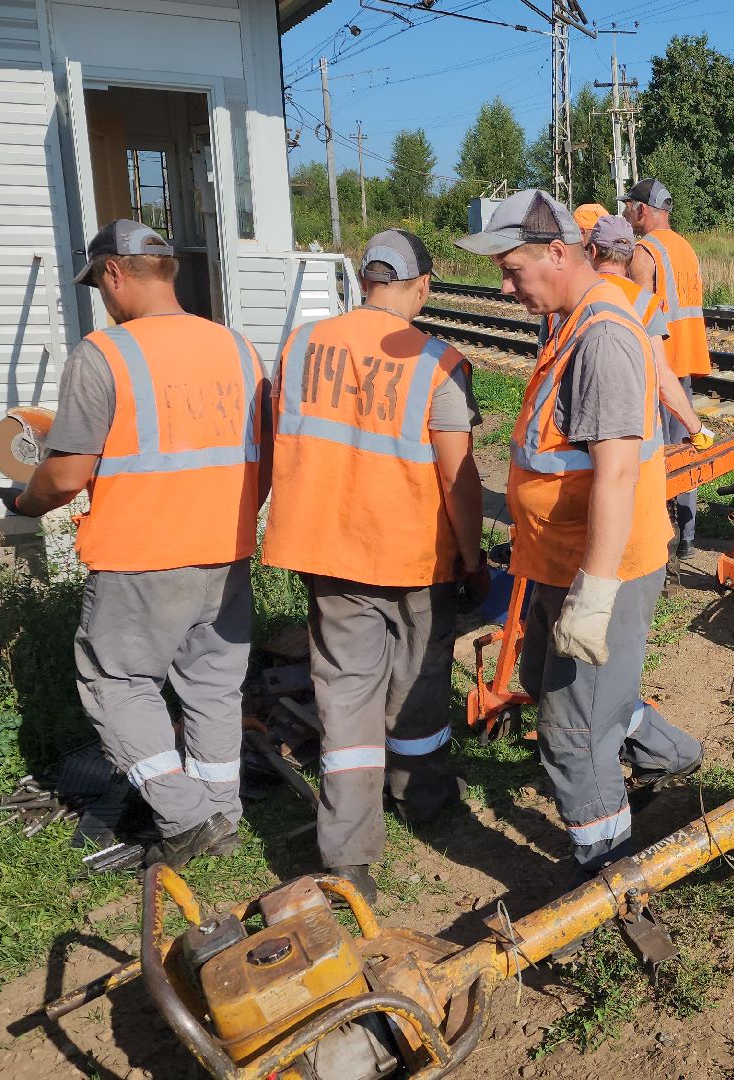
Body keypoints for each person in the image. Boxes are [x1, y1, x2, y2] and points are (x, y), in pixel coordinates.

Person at [0, 220, 265, 869]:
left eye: (99, 285)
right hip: (225, 551)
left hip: (141, 555)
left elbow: (66, 475)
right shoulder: (238, 349)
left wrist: (24, 502)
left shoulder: (103, 355)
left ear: (114, 272)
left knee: (117, 684)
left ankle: (186, 817)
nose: (103, 299)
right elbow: (265, 457)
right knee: (212, 688)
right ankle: (222, 817)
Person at [456, 190, 704, 876]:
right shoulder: (574, 321)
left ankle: (610, 872)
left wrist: (594, 593)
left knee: (571, 733)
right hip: (560, 559)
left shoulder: (601, 337)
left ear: (559, 253)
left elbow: (616, 474)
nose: (505, 289)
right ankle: (673, 756)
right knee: (547, 679)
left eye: (513, 271)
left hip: (601, 569)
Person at [263, 229, 489, 905]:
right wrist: (473, 558)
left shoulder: (302, 346)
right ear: (421, 286)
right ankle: (422, 796)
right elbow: (459, 478)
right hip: (414, 556)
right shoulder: (438, 362)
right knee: (419, 681)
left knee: (345, 696)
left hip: (328, 552)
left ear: (366, 281)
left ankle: (349, 853)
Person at [620, 178, 711, 565]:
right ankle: (687, 535)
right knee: (686, 448)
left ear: (642, 210)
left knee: (658, 454)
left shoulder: (645, 251)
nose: (626, 213)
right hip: (685, 358)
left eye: (629, 207)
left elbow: (639, 311)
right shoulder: (684, 247)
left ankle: (662, 536)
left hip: (659, 365)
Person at [588, 214, 712, 456]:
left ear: (592, 251)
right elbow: (662, 378)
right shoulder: (644, 303)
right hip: (631, 435)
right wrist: (697, 430)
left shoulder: (570, 299)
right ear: (630, 256)